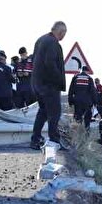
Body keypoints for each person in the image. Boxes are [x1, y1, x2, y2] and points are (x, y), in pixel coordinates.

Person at [31, 21, 67, 149]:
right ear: (60, 31)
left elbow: (35, 60)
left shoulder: (41, 40)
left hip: (37, 83)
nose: (64, 36)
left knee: (43, 112)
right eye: (64, 33)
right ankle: (54, 140)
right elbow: (50, 63)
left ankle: (35, 139)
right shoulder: (52, 43)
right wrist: (58, 79)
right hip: (49, 85)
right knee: (54, 113)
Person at [68, 65, 98, 129]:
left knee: (78, 119)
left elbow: (71, 91)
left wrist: (70, 101)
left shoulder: (75, 77)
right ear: (87, 71)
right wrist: (95, 102)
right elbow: (93, 92)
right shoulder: (89, 78)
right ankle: (86, 134)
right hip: (87, 102)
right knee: (87, 120)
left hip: (77, 102)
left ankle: (78, 134)